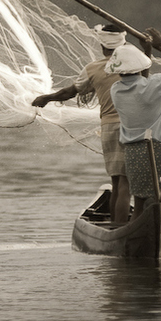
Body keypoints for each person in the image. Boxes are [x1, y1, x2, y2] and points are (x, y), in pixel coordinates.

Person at [31, 24, 131, 226]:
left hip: (109, 128)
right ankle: (121, 230)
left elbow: (69, 92)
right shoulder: (133, 65)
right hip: (131, 127)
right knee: (126, 184)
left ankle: (115, 228)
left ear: (103, 47)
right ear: (124, 44)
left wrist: (47, 98)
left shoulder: (93, 69)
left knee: (116, 180)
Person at [106, 27, 161, 220]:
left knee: (139, 201)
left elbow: (140, 82)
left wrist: (147, 52)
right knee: (159, 200)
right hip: (158, 150)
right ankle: (153, 233)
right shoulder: (154, 86)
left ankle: (134, 235)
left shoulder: (116, 90)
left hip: (133, 152)